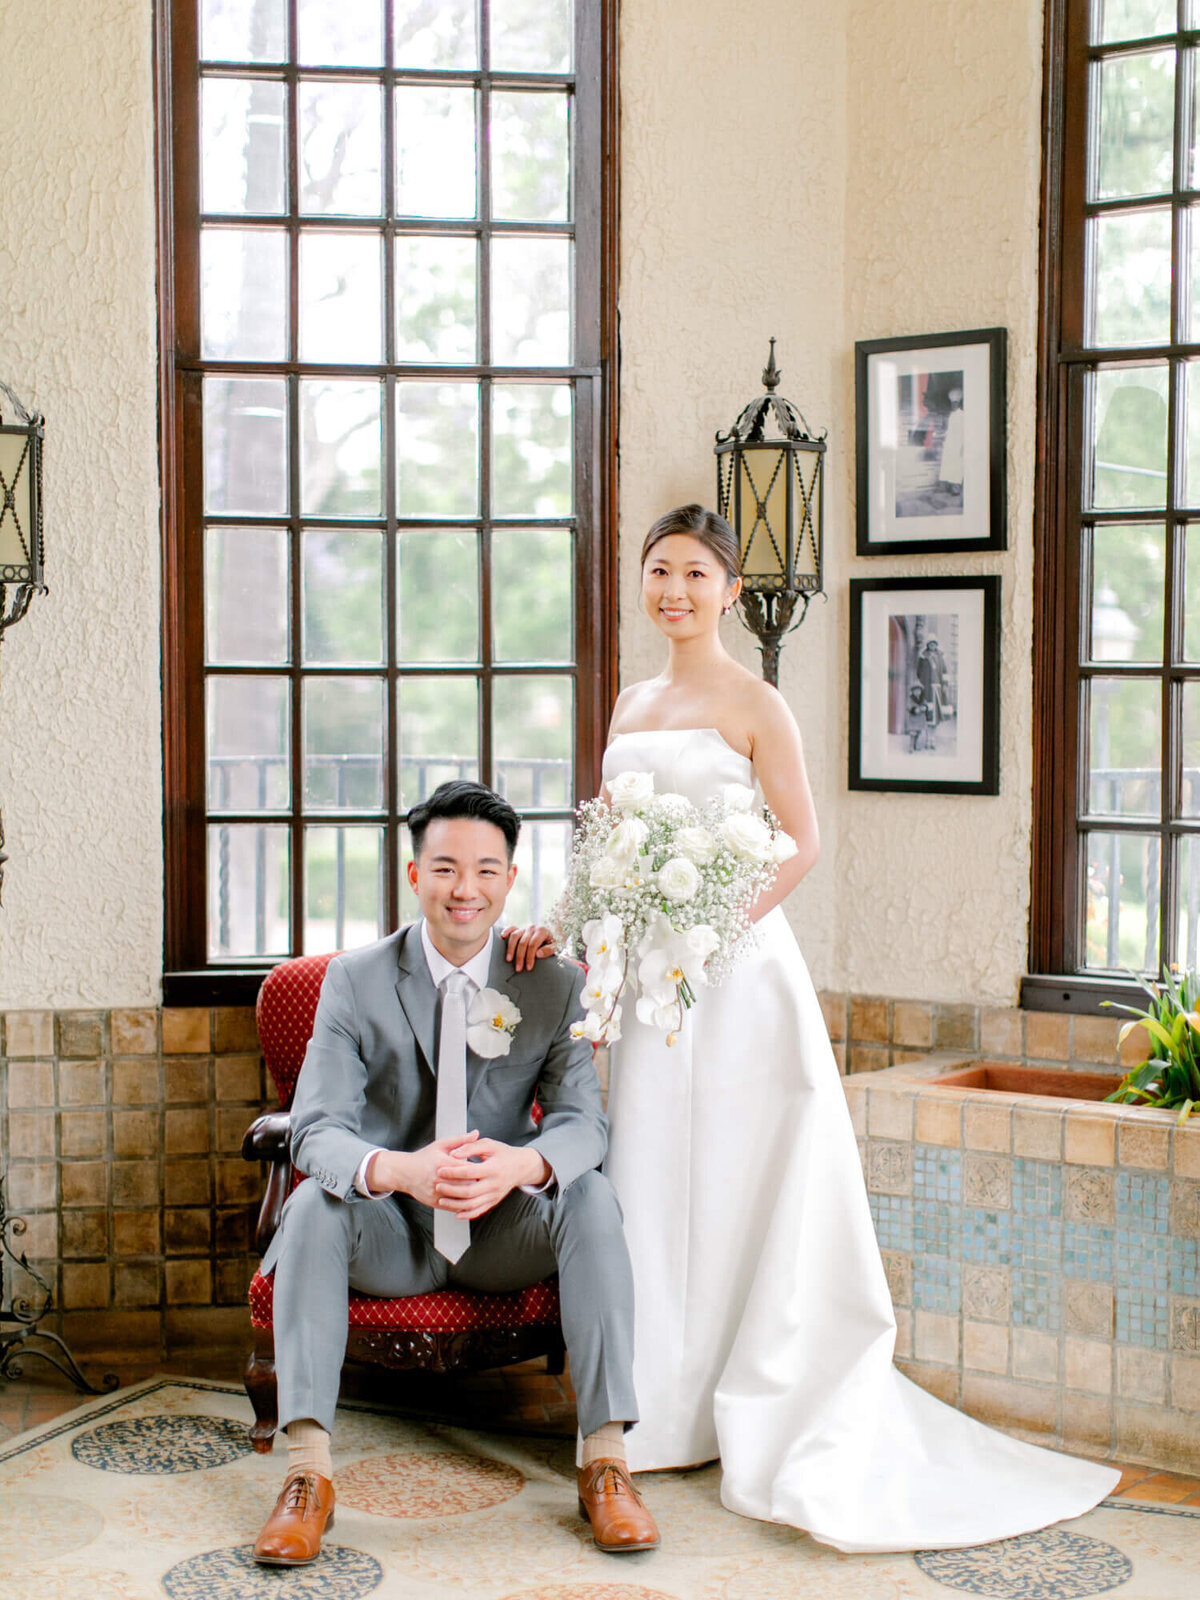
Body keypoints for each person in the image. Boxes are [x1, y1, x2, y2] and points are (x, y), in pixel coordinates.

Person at [504, 504, 1120, 1553]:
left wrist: (709, 925)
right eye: (660, 571)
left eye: (697, 573)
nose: (675, 591)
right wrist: (556, 923)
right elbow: (609, 846)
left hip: (735, 979)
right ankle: (659, 1409)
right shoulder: (632, 699)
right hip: (651, 990)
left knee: (747, 1175)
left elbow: (800, 843)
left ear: (730, 590)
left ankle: (757, 1391)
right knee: (655, 1173)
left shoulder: (756, 701)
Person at [253, 780, 659, 1566]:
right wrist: (400, 1171)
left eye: (484, 870)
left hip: (504, 1231)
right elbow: (316, 1131)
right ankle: (308, 1478)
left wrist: (524, 1162)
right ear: (414, 877)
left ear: (509, 879)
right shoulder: (355, 979)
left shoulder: (552, 981)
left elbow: (584, 1123)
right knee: (310, 1208)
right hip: (392, 1235)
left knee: (595, 1198)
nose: (463, 889)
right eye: (443, 868)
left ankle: (605, 1461)